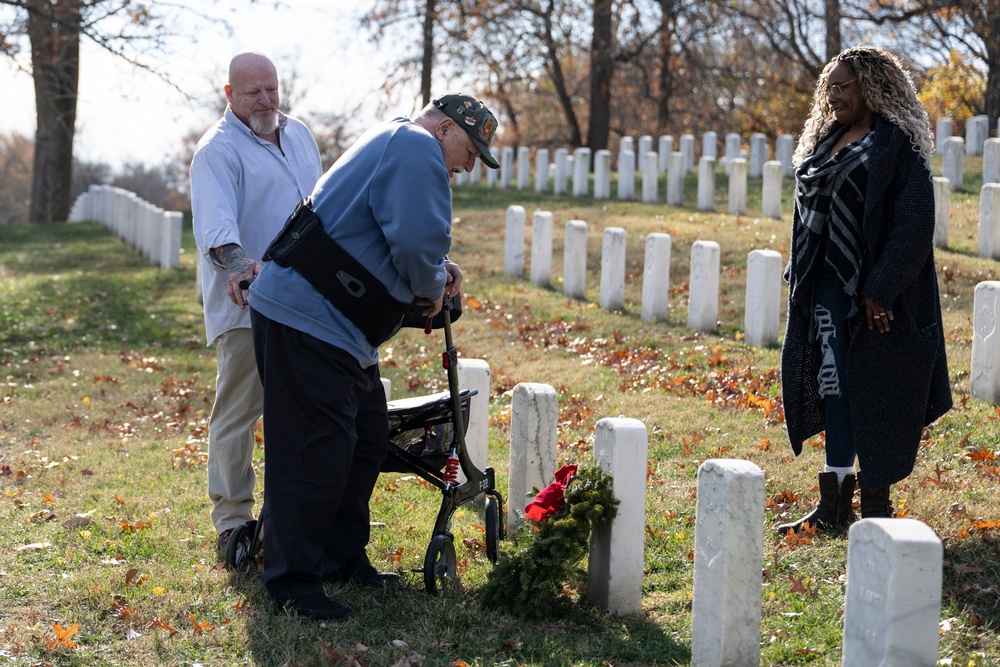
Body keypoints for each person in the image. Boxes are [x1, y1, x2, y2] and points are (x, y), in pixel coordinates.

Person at [248, 94, 500, 620]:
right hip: (308, 318)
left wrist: (438, 266)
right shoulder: (417, 147)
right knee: (314, 449)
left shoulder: (399, 139)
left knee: (362, 441)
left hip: (336, 326)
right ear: (446, 127)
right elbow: (413, 244)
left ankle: (338, 557)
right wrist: (433, 283)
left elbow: (382, 228)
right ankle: (293, 583)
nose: (468, 165)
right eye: (470, 150)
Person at [777, 46, 952, 535]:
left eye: (843, 86)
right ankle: (834, 501)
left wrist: (881, 288)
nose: (833, 96)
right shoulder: (825, 141)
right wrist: (798, 270)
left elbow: (915, 225)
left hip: (877, 297)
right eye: (828, 86)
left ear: (872, 87)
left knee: (875, 390)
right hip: (826, 288)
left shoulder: (897, 147)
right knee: (834, 384)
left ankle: (876, 498)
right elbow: (809, 216)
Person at [189, 52, 323, 556]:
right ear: (229, 95)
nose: (266, 100)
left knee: (308, 410)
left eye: (271, 89)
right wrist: (242, 268)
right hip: (247, 305)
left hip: (309, 302)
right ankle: (233, 525)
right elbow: (218, 232)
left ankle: (296, 519)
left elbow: (322, 205)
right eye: (253, 93)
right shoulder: (216, 151)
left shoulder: (300, 134)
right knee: (239, 412)